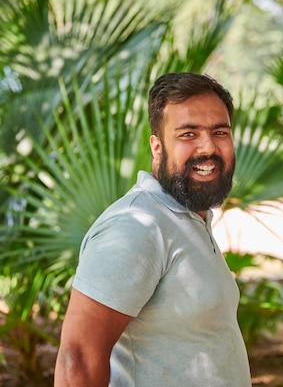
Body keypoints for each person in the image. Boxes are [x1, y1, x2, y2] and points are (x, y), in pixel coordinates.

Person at [54, 72, 252, 387]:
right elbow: (76, 361)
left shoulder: (190, 218)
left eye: (220, 132)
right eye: (188, 134)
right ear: (157, 147)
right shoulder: (135, 226)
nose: (208, 147)